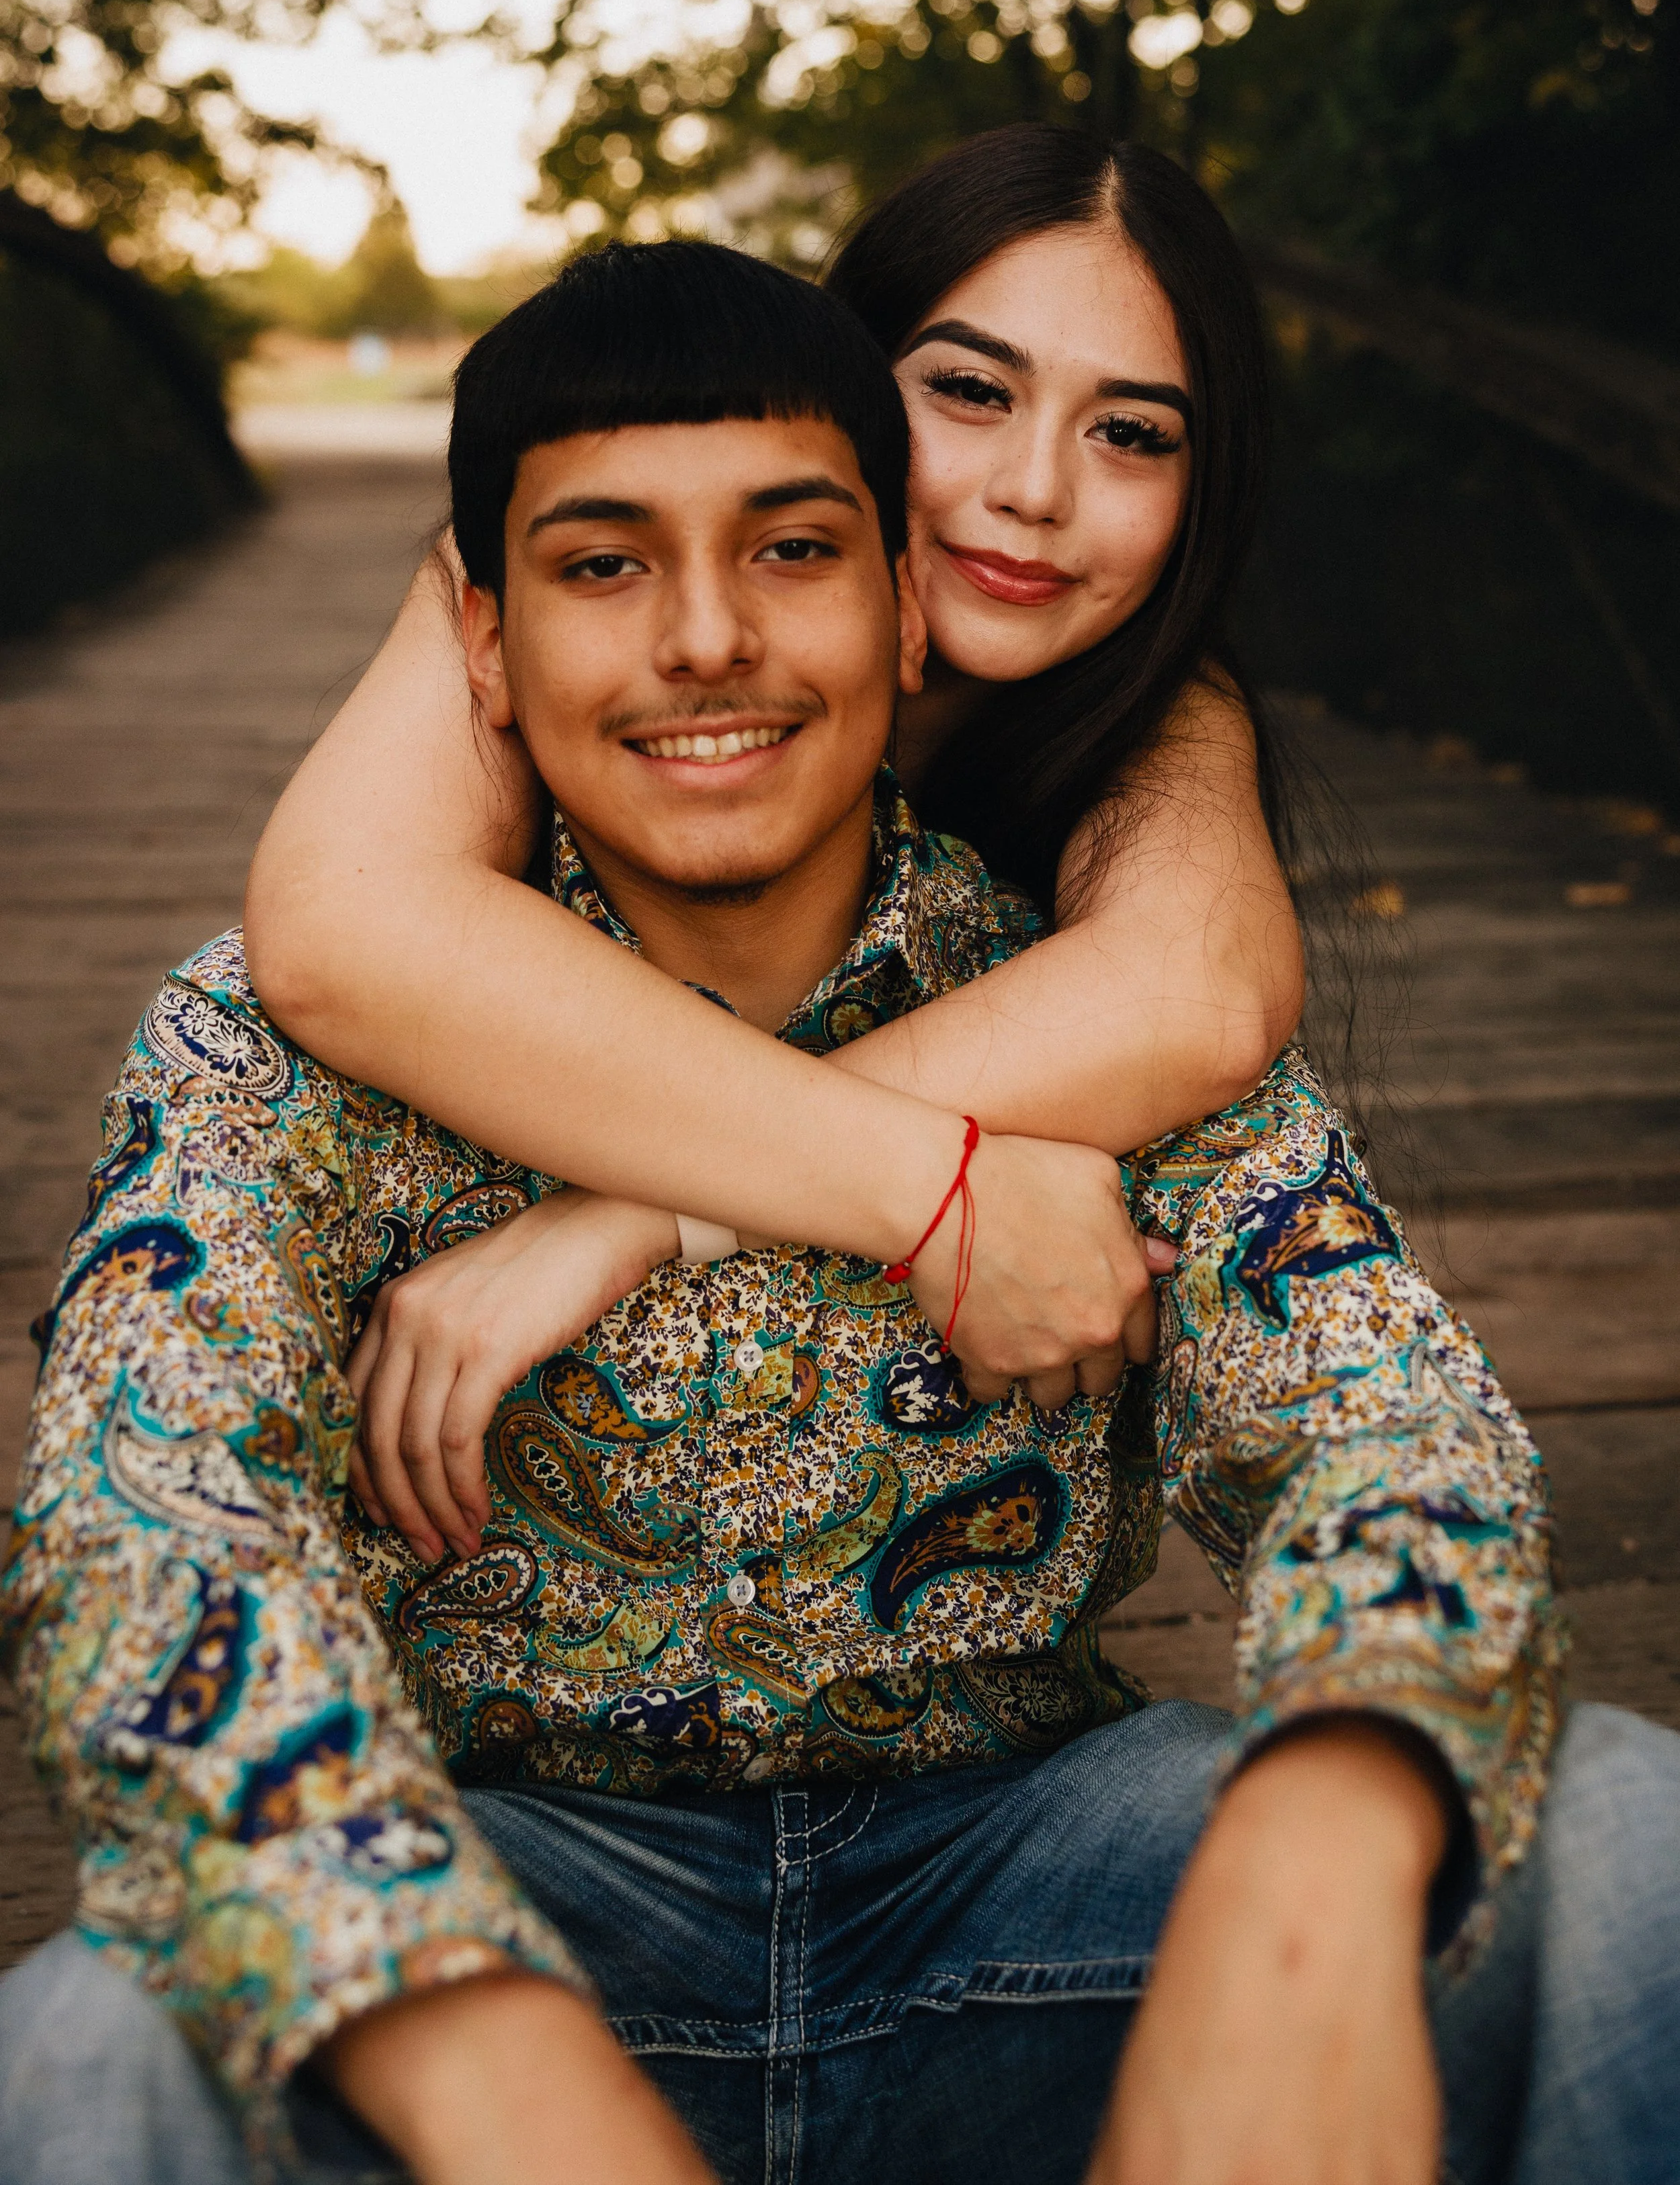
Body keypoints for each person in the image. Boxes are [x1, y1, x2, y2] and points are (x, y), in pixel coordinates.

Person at [1, 239, 1673, 2185]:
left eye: (792, 548)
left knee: (1628, 1845)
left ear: (908, 609)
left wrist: (1311, 1865)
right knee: (84, 2045)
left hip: (1030, 1870)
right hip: (512, 1891)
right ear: (481, 638)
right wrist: (465, 2031)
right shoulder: (283, 1042)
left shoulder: (1081, 1004)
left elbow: (1393, 1419)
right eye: (602, 564)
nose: (704, 636)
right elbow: (141, 1510)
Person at [241, 130, 1305, 1565]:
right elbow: (342, 927)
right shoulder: (546, 574)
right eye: (970, 392)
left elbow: (1200, 996)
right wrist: (903, 1177)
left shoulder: (1161, 705)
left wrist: (635, 1209)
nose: (1034, 490)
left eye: (1131, 433)